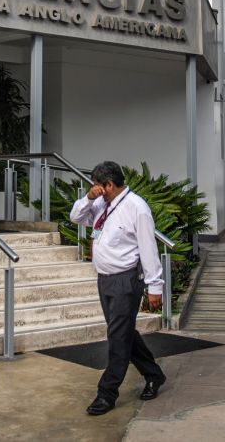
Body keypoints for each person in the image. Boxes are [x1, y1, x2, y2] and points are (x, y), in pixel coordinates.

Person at [70, 161, 167, 415]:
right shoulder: (101, 204)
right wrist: (88, 199)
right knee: (123, 333)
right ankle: (154, 374)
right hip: (105, 279)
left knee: (117, 337)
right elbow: (76, 217)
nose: (94, 189)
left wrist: (154, 287)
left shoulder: (137, 208)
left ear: (109, 184)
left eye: (96, 185)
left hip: (126, 281)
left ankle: (107, 393)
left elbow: (149, 248)